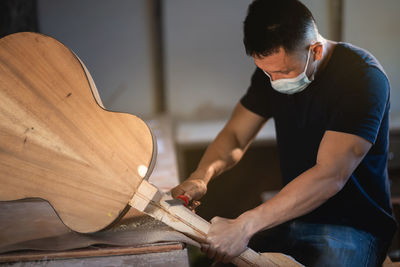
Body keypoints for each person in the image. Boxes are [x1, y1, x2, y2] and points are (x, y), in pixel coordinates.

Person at [171, 0, 397, 266]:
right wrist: (201, 176)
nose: (276, 81)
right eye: (268, 73)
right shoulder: (272, 72)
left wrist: (245, 225)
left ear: (315, 50)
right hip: (291, 216)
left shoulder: (362, 79)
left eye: (284, 71)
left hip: (353, 227)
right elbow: (235, 136)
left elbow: (330, 175)